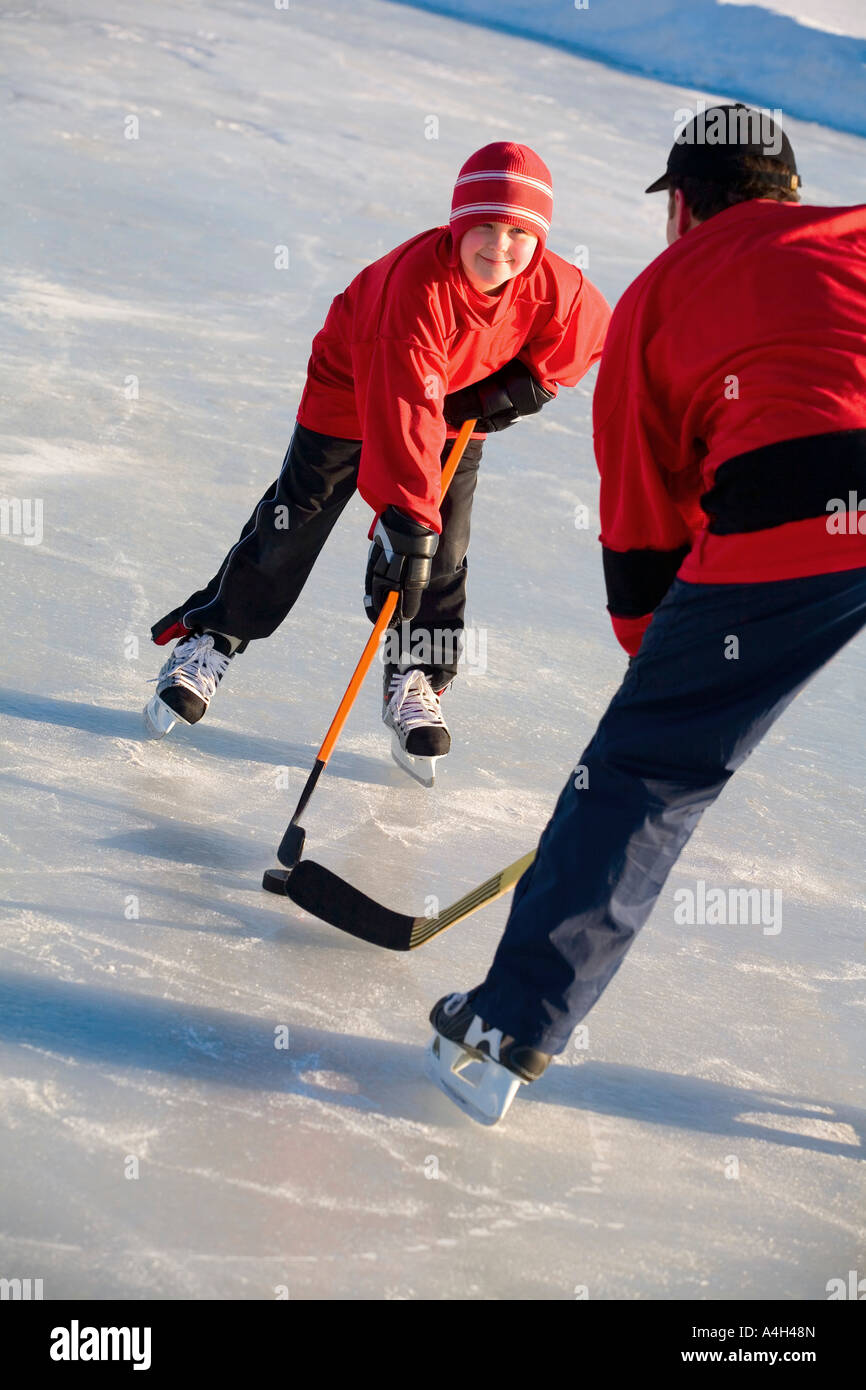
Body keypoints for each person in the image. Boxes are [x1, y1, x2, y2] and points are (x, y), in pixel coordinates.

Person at [428, 106, 866, 1124]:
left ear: (679, 205)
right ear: (791, 196)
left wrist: (657, 667)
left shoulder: (659, 294)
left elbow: (638, 526)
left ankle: (505, 1028)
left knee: (645, 772)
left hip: (794, 504)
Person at [144, 141, 610, 784]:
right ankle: (213, 637)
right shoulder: (416, 287)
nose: (501, 247)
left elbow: (593, 329)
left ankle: (418, 677)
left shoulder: (551, 283)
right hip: (354, 388)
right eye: (485, 227)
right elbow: (402, 409)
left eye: (518, 231)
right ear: (457, 224)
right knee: (297, 518)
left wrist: (523, 385)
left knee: (443, 551)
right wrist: (404, 518)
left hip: (449, 405)